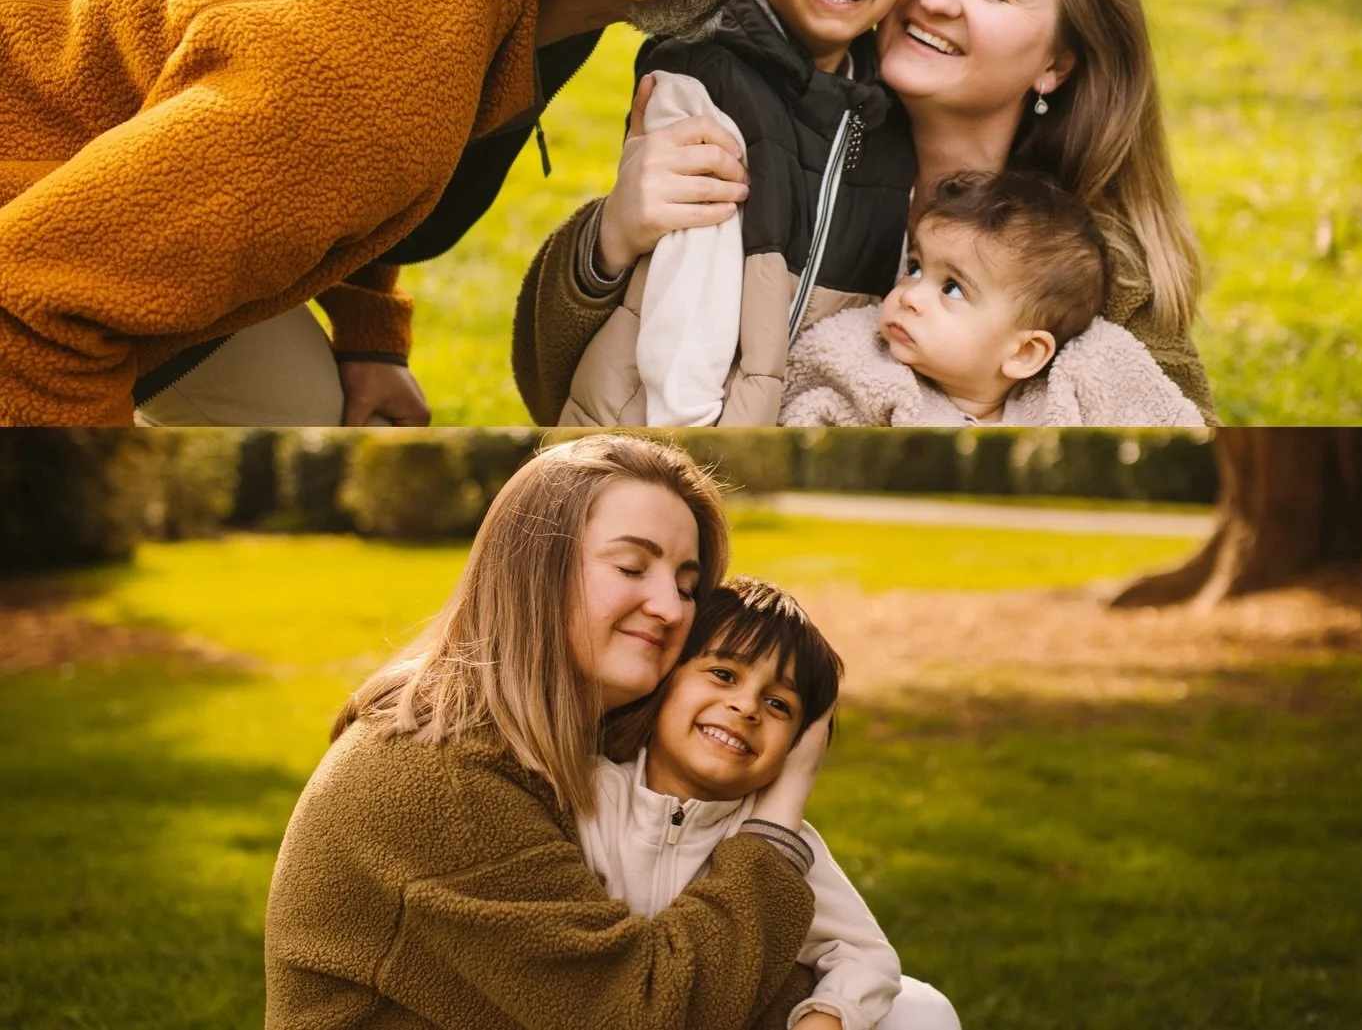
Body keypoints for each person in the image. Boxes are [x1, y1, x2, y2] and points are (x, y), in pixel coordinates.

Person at [0, 0, 790, 430]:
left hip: (162, 152)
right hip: (40, 206)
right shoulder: (360, 79)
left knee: (310, 407)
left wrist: (369, 331)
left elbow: (329, 161)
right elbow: (32, 310)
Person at [512, 0, 1218, 427]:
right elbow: (552, 392)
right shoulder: (763, 131)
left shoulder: (1096, 267)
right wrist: (611, 235)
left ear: (1056, 63)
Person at [264, 434, 832, 1029]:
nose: (670, 608)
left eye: (688, 587)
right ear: (534, 569)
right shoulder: (435, 779)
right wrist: (778, 817)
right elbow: (647, 1013)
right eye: (631, 566)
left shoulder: (558, 752)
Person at [561, 0, 932, 428]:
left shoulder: (889, 123)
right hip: (657, 413)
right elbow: (686, 299)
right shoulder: (704, 72)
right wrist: (702, 427)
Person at [581, 575, 960, 1030]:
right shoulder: (590, 794)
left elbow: (866, 954)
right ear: (665, 680)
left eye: (779, 704)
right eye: (723, 675)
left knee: (924, 1013)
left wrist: (827, 1016)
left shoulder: (785, 846)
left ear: (797, 747)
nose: (746, 707)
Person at [780, 170, 1206, 427]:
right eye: (914, 268)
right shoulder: (861, 371)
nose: (909, 296)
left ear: (1024, 352)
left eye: (952, 289)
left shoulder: (1072, 395)